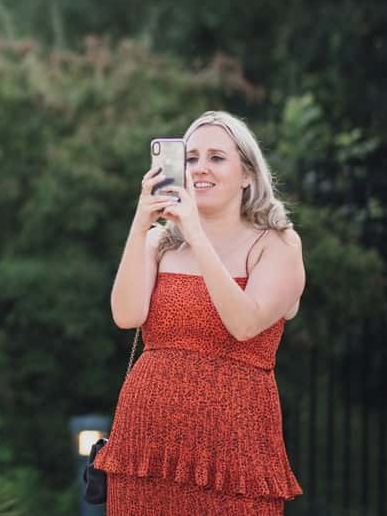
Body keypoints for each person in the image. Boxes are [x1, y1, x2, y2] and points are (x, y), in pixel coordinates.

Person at [98, 110, 305, 515]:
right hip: (143, 452)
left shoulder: (277, 243)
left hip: (234, 457)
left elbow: (245, 324)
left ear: (247, 174)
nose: (200, 168)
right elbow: (126, 315)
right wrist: (142, 224)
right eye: (190, 158)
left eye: (216, 157)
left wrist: (196, 233)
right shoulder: (160, 243)